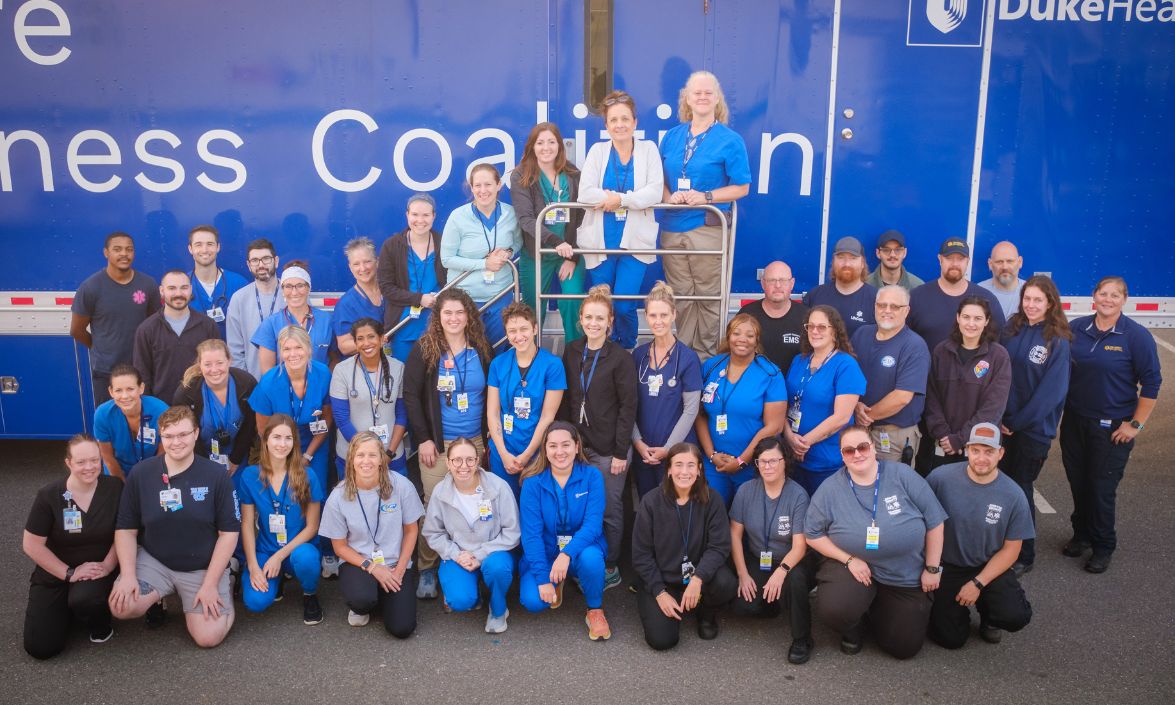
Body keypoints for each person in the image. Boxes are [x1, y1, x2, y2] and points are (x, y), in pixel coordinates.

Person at [806, 426, 947, 660]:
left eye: (862, 447)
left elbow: (935, 521)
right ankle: (854, 626)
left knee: (903, 647)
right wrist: (848, 559)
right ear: (842, 456)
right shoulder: (830, 488)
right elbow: (812, 534)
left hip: (903, 572)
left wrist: (933, 568)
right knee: (835, 610)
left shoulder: (903, 475)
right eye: (849, 451)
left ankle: (877, 608)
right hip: (854, 568)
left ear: (873, 448)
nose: (857, 454)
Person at [109, 406, 241, 648]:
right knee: (122, 606)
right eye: (168, 436)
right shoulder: (141, 473)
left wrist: (210, 584)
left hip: (201, 568)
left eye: (182, 435)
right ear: (161, 436)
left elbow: (229, 533)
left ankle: (227, 578)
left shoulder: (216, 475)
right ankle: (158, 597)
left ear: (195, 433)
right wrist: (128, 576)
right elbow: (126, 529)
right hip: (156, 562)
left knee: (208, 638)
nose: (176, 442)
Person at [1060, 276, 1161, 574]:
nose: (1107, 299)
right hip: (1076, 421)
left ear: (1124, 299)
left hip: (1113, 428)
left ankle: (1104, 545)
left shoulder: (1135, 336)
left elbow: (1152, 383)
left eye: (1114, 295)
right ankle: (1082, 535)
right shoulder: (1077, 329)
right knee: (1079, 482)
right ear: (1094, 296)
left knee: (1101, 487)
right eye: (1103, 293)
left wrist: (1135, 425)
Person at [403, 287, 493, 599]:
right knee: (433, 506)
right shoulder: (425, 349)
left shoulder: (481, 349)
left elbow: (491, 394)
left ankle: (471, 564)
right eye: (447, 313)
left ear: (469, 316)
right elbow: (411, 397)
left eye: (459, 312)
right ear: (438, 318)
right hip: (438, 445)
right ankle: (427, 568)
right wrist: (424, 439)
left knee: (474, 506)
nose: (453, 318)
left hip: (475, 442)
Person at [659, 70, 751, 358]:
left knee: (709, 298)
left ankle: (708, 361)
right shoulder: (672, 137)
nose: (702, 97)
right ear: (686, 98)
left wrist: (707, 197)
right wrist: (668, 197)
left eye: (708, 92)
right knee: (683, 299)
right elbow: (658, 181)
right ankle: (685, 359)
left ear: (716, 99)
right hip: (672, 229)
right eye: (696, 92)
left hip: (707, 229)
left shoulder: (729, 140)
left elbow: (742, 187)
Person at [926, 423, 1034, 648]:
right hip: (949, 565)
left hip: (988, 566)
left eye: (989, 451)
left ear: (1001, 454)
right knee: (950, 639)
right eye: (976, 450)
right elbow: (921, 522)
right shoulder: (940, 478)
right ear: (966, 450)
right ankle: (956, 610)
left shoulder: (1014, 495)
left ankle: (990, 615)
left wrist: (977, 583)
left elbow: (1012, 549)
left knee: (1014, 616)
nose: (981, 458)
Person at [560, 284, 638, 589]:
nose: (593, 323)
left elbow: (628, 407)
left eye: (600, 318)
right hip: (580, 447)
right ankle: (584, 559)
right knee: (582, 508)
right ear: (580, 318)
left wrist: (621, 452)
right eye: (588, 317)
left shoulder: (620, 358)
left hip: (609, 450)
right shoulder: (571, 350)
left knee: (609, 508)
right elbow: (568, 399)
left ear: (610, 322)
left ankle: (610, 564)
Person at [577, 91, 664, 349]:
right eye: (613, 120)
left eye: (625, 118)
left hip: (634, 243)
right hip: (599, 242)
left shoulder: (648, 150)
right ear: (606, 126)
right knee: (602, 305)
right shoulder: (598, 151)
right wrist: (629, 198)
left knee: (624, 305)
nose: (620, 125)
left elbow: (654, 191)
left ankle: (626, 350)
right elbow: (585, 193)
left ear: (635, 122)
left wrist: (620, 201)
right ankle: (602, 352)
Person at [22, 435, 122, 659]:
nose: (89, 467)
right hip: (57, 571)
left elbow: (123, 534)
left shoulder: (115, 488)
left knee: (85, 599)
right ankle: (66, 610)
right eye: (81, 462)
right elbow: (31, 544)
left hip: (98, 570)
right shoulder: (49, 495)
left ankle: (98, 621)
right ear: (68, 463)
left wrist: (107, 565)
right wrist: (69, 573)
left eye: (94, 460)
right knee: (41, 648)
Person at [632, 442, 736, 650]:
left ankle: (705, 615)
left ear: (699, 470)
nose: (684, 472)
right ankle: (672, 600)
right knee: (662, 641)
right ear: (669, 469)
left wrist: (698, 580)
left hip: (699, 576)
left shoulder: (712, 499)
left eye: (691, 465)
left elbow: (719, 546)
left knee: (726, 583)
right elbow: (641, 554)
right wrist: (659, 592)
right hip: (663, 579)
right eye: (678, 465)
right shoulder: (651, 502)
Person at [999, 275, 1071, 574]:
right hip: (1002, 425)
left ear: (1050, 303)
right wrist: (1000, 417)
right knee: (1002, 486)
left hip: (1032, 431)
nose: (1030, 305)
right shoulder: (1011, 328)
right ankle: (1003, 545)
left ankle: (1024, 554)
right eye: (1027, 298)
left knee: (1021, 489)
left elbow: (1051, 394)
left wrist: (1016, 422)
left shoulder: (1057, 339)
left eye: (1037, 300)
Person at [319, 432, 424, 636]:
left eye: (372, 455)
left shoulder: (401, 485)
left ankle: (384, 595)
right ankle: (368, 599)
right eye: (360, 455)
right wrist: (373, 568)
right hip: (359, 563)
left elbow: (411, 530)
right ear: (351, 459)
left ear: (381, 459)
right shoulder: (338, 496)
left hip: (395, 563)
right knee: (362, 600)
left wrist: (400, 569)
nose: (366, 461)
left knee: (402, 628)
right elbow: (339, 547)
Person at [517, 422, 611, 640]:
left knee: (591, 558)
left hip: (581, 548)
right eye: (553, 446)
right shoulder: (532, 483)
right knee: (533, 601)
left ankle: (595, 609)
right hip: (548, 551)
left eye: (566, 445)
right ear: (545, 450)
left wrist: (566, 554)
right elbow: (531, 536)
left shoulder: (592, 476)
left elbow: (593, 525)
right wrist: (542, 579)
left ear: (577, 446)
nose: (560, 452)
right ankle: (555, 581)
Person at [421, 437, 520, 633]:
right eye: (457, 460)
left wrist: (481, 554)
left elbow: (513, 531)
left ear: (478, 461)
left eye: (470, 460)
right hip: (460, 556)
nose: (463, 466)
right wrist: (456, 554)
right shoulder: (441, 492)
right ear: (448, 463)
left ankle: (498, 609)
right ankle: (473, 595)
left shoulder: (498, 487)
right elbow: (433, 533)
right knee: (460, 600)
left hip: (494, 553)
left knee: (498, 569)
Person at [248, 325, 333, 552]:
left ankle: (320, 549)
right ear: (280, 352)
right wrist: (284, 455)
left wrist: (307, 454)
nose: (293, 354)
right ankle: (282, 547)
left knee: (317, 493)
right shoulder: (268, 382)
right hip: (279, 445)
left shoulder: (323, 373)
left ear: (309, 349)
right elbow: (263, 430)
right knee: (288, 495)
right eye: (287, 349)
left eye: (298, 347)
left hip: (314, 442)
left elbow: (326, 419)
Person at [729, 437, 813, 664]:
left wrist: (782, 571)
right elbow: (735, 535)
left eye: (773, 461)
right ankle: (772, 605)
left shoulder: (798, 495)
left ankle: (802, 638)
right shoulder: (746, 490)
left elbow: (800, 546)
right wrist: (743, 574)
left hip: (791, 561)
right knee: (743, 605)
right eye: (762, 462)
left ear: (785, 461)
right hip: (760, 558)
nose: (767, 467)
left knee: (795, 580)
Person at [237, 415, 325, 624]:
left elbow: (312, 527)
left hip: (298, 547)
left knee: (306, 559)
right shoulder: (250, 475)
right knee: (255, 602)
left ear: (294, 442)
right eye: (276, 437)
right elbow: (247, 524)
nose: (282, 444)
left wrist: (280, 556)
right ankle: (277, 580)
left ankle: (309, 594)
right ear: (265, 439)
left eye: (288, 438)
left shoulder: (307, 475)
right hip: (266, 550)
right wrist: (252, 565)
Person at [696, 313, 787, 506]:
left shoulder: (770, 374)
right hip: (715, 464)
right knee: (711, 518)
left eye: (749, 335)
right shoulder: (711, 367)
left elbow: (774, 427)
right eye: (736, 333)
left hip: (753, 466)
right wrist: (711, 455)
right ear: (728, 337)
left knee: (748, 524)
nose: (742, 339)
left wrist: (741, 461)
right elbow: (700, 415)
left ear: (757, 341)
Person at [510, 122, 585, 343]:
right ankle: (532, 359)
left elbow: (582, 217)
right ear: (532, 146)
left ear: (560, 146)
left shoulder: (573, 174)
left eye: (551, 142)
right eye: (540, 142)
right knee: (533, 309)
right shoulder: (521, 176)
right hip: (537, 254)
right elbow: (526, 219)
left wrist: (572, 256)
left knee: (572, 300)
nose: (546, 147)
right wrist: (555, 242)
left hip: (570, 253)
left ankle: (574, 356)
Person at [923, 297, 1012, 474]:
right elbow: (931, 398)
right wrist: (944, 435)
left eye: (978, 318)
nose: (971, 323)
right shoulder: (941, 351)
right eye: (966, 317)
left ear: (986, 321)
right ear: (958, 318)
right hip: (944, 444)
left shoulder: (998, 356)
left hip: (980, 446)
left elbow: (993, 407)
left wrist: (962, 438)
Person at [784, 306, 867, 495]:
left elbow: (842, 417)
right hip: (793, 458)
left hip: (827, 462)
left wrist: (804, 443)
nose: (814, 331)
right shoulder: (799, 360)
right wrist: (789, 437)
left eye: (822, 327)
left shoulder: (846, 365)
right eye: (810, 326)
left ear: (834, 331)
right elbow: (785, 404)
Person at [70, 232, 160, 405]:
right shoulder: (90, 287)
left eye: (129, 249)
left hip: (140, 369)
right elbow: (76, 330)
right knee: (110, 421)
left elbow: (155, 325)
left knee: (141, 421)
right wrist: (100, 348)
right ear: (106, 253)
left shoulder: (147, 284)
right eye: (117, 249)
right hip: (106, 372)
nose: (124, 254)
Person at [487, 302, 566, 497]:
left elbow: (548, 416)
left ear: (535, 328)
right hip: (503, 449)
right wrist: (504, 455)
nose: (518, 336)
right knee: (506, 509)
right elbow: (493, 412)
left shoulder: (552, 365)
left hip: (537, 452)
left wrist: (526, 455)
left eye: (524, 329)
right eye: (512, 331)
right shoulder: (499, 364)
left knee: (534, 509)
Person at [631, 282, 703, 498]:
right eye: (653, 315)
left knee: (677, 510)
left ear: (674, 315)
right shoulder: (638, 356)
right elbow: (629, 405)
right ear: (646, 316)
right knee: (647, 508)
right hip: (644, 453)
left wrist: (669, 448)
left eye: (664, 315)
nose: (658, 321)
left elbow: (691, 410)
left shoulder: (688, 358)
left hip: (677, 454)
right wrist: (637, 442)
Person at [440, 163, 523, 348]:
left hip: (500, 296)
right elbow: (446, 259)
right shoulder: (458, 216)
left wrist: (508, 252)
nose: (483, 190)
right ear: (471, 188)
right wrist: (484, 264)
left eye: (488, 184)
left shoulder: (511, 213)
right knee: (469, 352)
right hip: (465, 299)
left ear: (499, 185)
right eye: (477, 186)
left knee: (499, 350)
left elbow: (518, 243)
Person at [850, 285, 931, 463]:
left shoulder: (914, 346)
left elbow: (902, 397)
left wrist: (865, 416)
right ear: (874, 307)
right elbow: (846, 377)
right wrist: (855, 406)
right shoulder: (861, 334)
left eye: (895, 306)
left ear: (906, 311)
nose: (887, 310)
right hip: (858, 430)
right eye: (881, 305)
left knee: (890, 488)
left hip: (892, 437)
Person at [331, 318, 408, 478]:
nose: (366, 343)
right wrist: (368, 455)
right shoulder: (342, 370)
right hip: (354, 455)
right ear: (355, 343)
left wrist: (388, 453)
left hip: (391, 454)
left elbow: (402, 415)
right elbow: (341, 419)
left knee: (392, 501)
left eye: (371, 337)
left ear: (381, 339)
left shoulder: (398, 368)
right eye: (360, 339)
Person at [377, 193, 446, 362]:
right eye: (415, 214)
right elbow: (386, 287)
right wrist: (419, 298)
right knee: (405, 382)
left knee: (436, 381)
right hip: (403, 327)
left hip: (438, 326)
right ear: (407, 214)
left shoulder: (444, 242)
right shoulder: (392, 245)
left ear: (434, 216)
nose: (420, 220)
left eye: (426, 215)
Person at [174, 339, 258, 474]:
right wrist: (204, 466)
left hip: (238, 455)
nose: (214, 370)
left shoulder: (247, 384)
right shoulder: (186, 393)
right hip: (198, 457)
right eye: (207, 364)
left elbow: (249, 427)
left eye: (220, 363)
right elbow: (184, 433)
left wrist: (235, 460)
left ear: (229, 361)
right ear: (200, 365)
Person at [908, 238, 1006, 353]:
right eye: (949, 258)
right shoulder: (917, 297)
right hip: (927, 370)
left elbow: (1000, 344)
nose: (954, 264)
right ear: (940, 259)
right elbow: (902, 340)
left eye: (960, 259)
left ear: (967, 261)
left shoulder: (987, 299)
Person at [133, 270, 221, 399]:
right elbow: (142, 374)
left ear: (190, 290)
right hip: (163, 408)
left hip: (202, 405)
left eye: (184, 288)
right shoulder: (147, 329)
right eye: (172, 288)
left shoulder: (208, 326)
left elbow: (218, 366)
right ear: (162, 291)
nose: (178, 294)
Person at [252, 261, 334, 376]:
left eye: (300, 285)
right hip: (284, 390)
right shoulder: (270, 324)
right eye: (289, 286)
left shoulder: (326, 320)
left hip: (321, 390)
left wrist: (323, 383)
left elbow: (335, 359)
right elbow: (268, 372)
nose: (294, 292)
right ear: (282, 290)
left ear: (309, 288)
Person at [93, 364, 169, 479]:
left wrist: (150, 481)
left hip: (154, 470)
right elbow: (108, 457)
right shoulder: (103, 414)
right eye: (118, 390)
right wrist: (123, 485)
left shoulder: (161, 411)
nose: (125, 396)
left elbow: (163, 453)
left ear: (141, 388)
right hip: (118, 472)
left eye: (130, 389)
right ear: (111, 391)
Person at [226, 238, 284, 380]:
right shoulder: (239, 299)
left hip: (290, 382)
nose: (261, 265)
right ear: (248, 265)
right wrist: (245, 383)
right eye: (255, 260)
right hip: (253, 385)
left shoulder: (292, 294)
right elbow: (235, 349)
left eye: (266, 259)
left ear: (276, 261)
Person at [738, 260, 808, 374]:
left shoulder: (806, 317)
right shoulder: (746, 314)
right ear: (763, 283)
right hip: (755, 387)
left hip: (792, 389)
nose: (778, 285)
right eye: (772, 280)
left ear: (792, 283)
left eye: (783, 280)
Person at [803, 237, 878, 337]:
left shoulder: (877, 300)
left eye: (853, 258)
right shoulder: (814, 296)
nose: (846, 264)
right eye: (841, 257)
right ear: (833, 262)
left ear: (862, 263)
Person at [187, 225, 248, 339]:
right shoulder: (182, 286)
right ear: (190, 249)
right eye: (198, 245)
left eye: (210, 244)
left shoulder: (239, 284)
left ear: (218, 247)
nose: (204, 250)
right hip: (193, 356)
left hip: (231, 355)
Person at [333, 237, 386, 357]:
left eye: (367, 261)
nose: (362, 268)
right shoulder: (346, 304)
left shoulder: (390, 293)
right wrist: (374, 341)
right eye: (356, 264)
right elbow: (344, 346)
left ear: (377, 262)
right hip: (363, 369)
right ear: (350, 267)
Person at [978, 241, 1025, 320]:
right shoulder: (977, 292)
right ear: (990, 264)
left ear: (1020, 262)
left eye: (1010, 261)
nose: (1005, 267)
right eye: (999, 262)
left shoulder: (1031, 293)